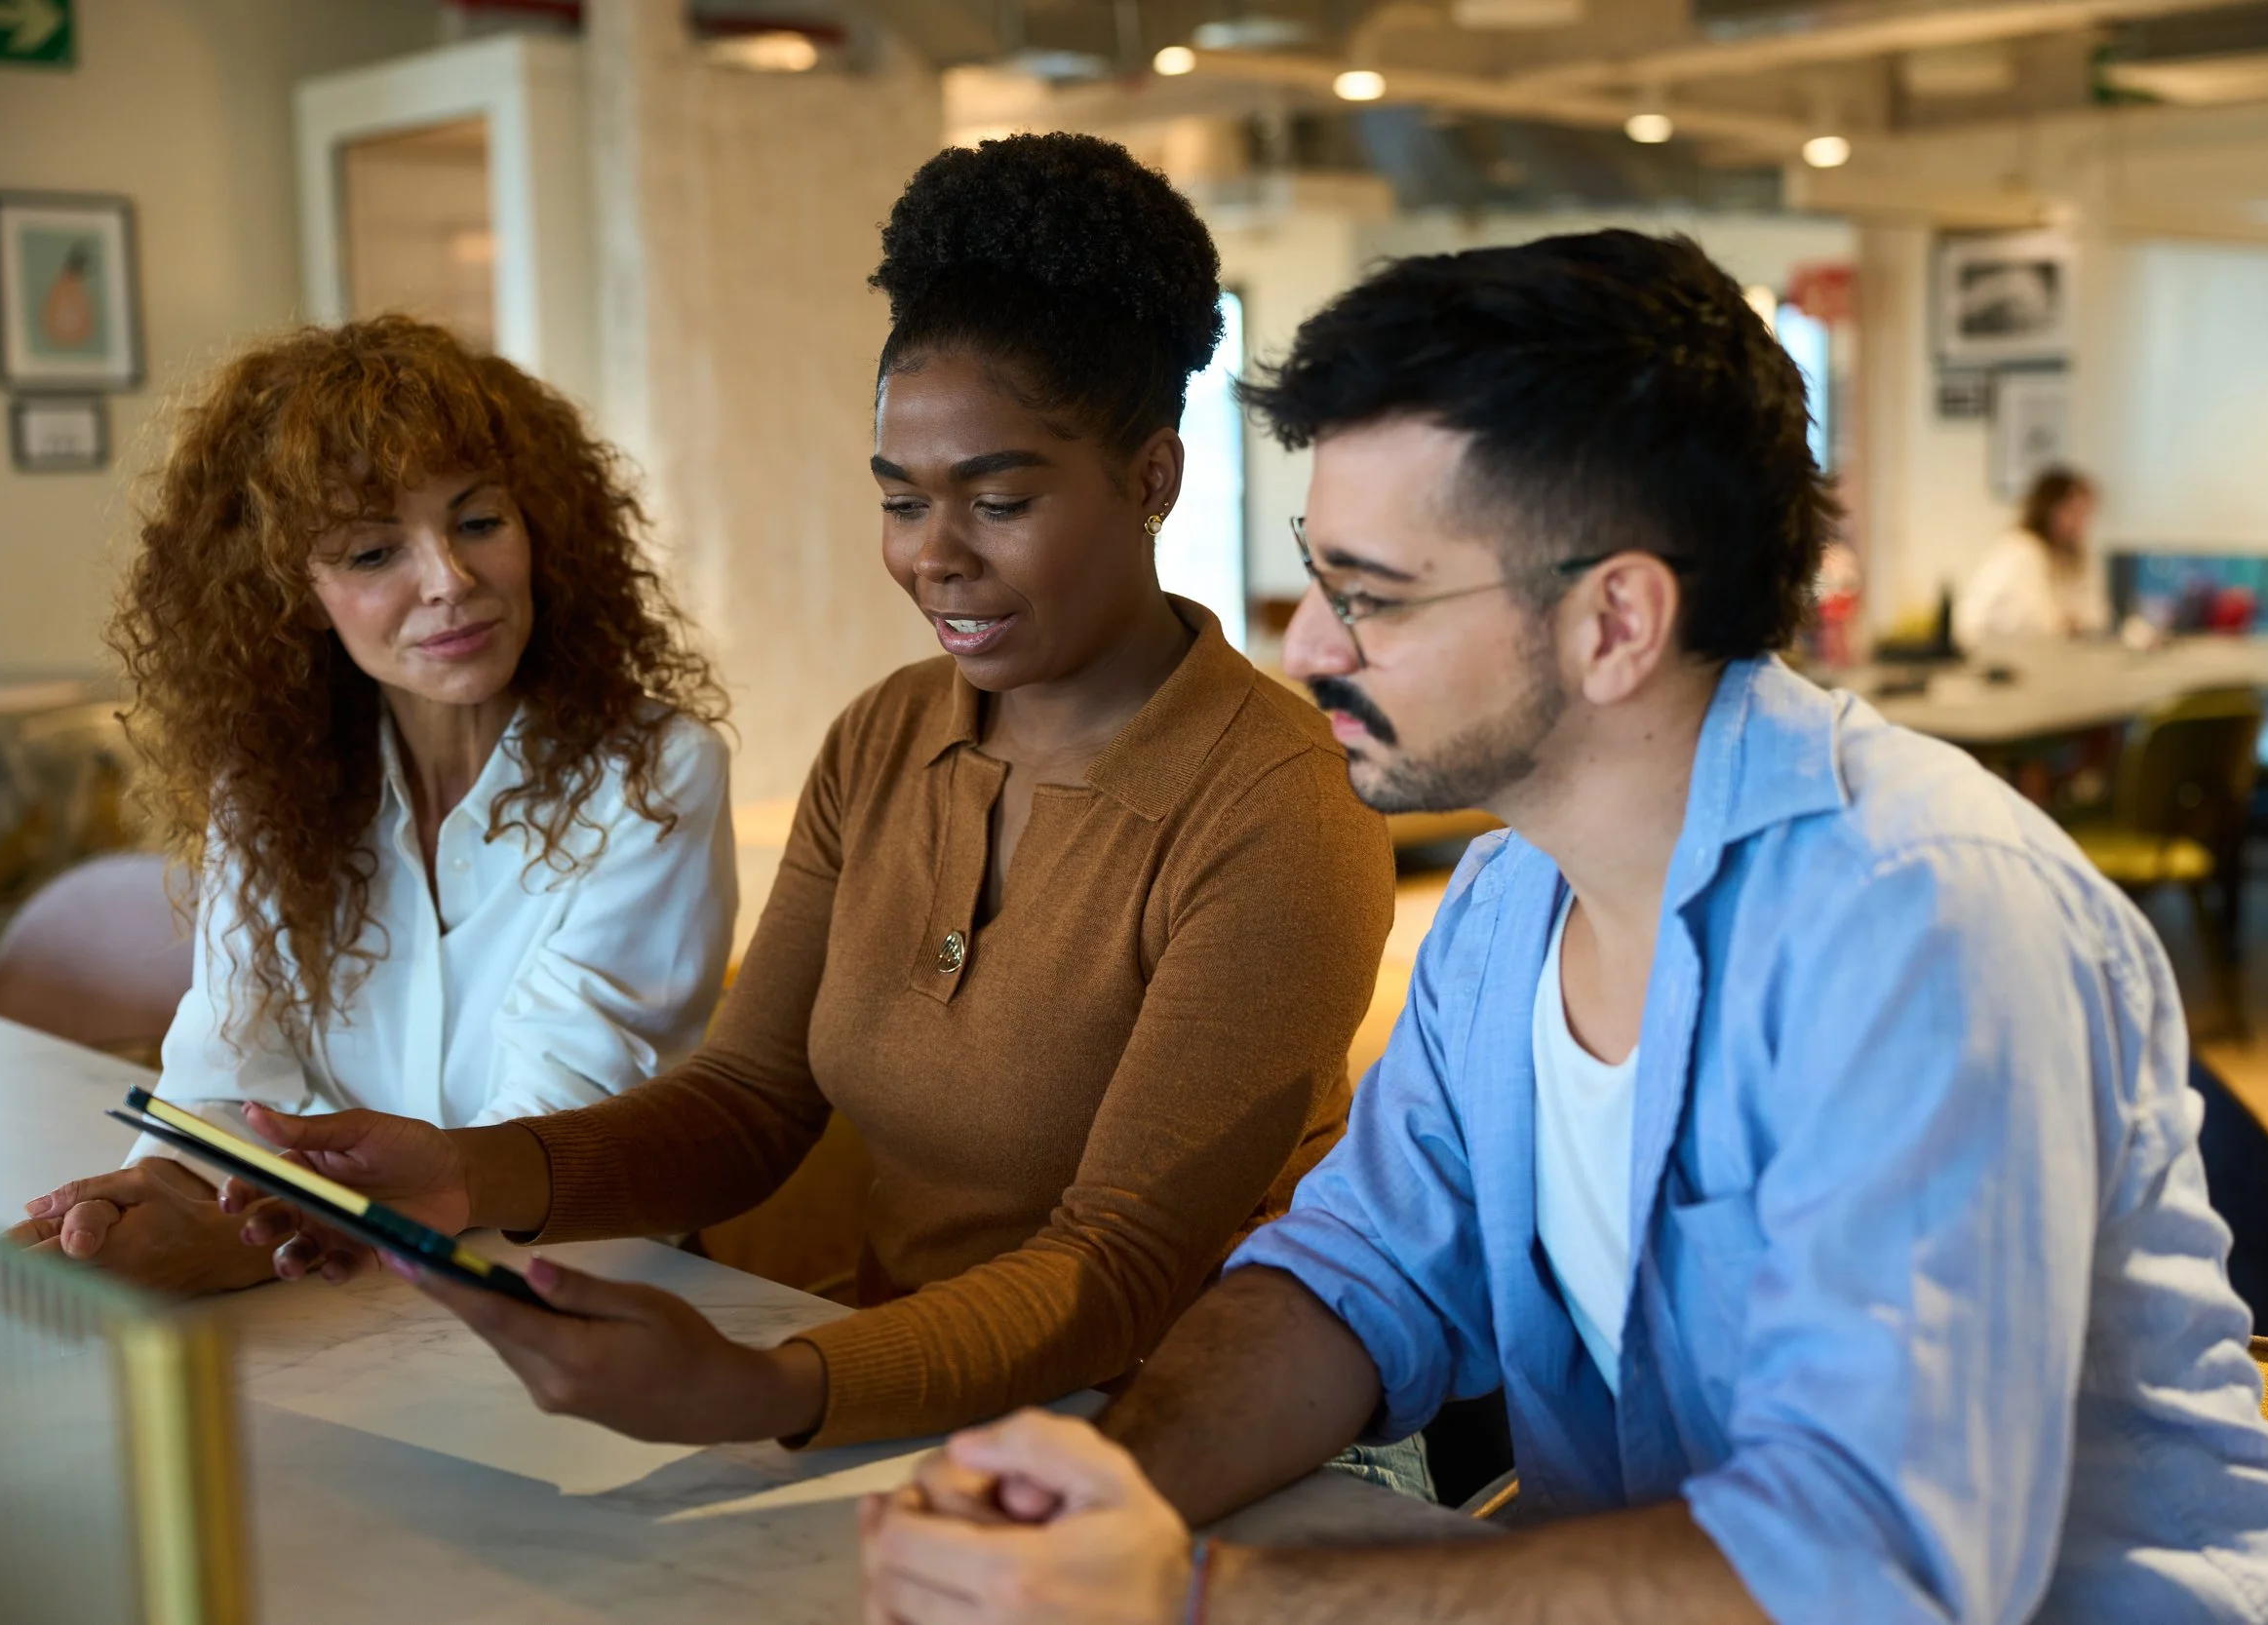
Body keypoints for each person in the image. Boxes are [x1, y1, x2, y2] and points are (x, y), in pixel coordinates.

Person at [856, 232, 2268, 1623]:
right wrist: (1117, 1491)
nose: (1307, 644)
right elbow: (1357, 1274)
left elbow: (1872, 1565)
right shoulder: (1508, 903)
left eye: (1368, 594)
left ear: (1614, 622)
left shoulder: (1918, 918)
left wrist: (1198, 1591)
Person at [213, 135, 1395, 1454]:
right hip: (897, 1403)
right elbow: (748, 1101)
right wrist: (460, 1171)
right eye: (900, 501)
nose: (934, 556)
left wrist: (770, 1386)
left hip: (1174, 1440)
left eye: (997, 500)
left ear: (1153, 479)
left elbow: (1120, 1265)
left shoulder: (1279, 810)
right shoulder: (885, 740)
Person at [9, 316, 735, 1296]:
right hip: (344, 1291)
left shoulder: (653, 772)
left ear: (540, 529)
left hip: (582, 1297)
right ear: (294, 591)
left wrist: (257, 1234)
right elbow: (227, 1067)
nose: (451, 581)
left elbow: (544, 1130)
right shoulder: (272, 787)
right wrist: (159, 1190)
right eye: (370, 552)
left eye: (479, 523)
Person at [1959, 465, 2111, 641]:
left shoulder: (2072, 556)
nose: (2080, 523)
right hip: (1999, 653)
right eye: (2073, 511)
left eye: (2085, 514)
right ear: (2049, 508)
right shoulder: (2021, 549)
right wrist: (2069, 624)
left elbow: (2096, 617)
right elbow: (2039, 620)